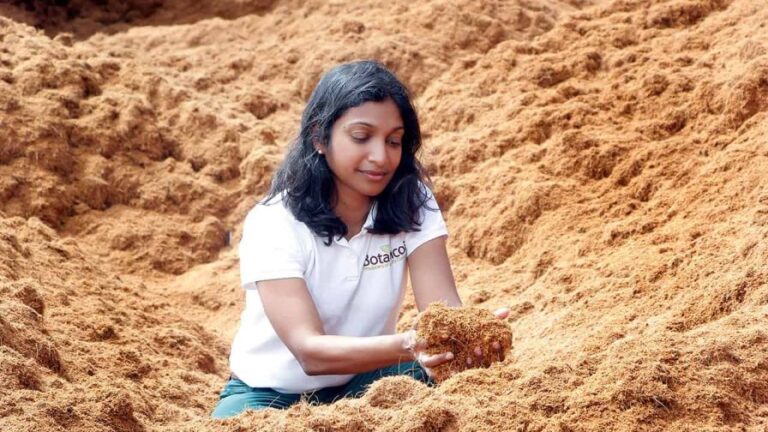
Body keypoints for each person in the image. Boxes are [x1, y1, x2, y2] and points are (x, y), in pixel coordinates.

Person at [212, 60, 508, 419]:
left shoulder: (412, 200)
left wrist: (470, 336)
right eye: (361, 136)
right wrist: (414, 343)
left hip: (374, 378)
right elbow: (310, 352)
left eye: (394, 140)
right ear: (319, 137)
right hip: (270, 393)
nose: (381, 157)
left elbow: (442, 312)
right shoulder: (274, 221)